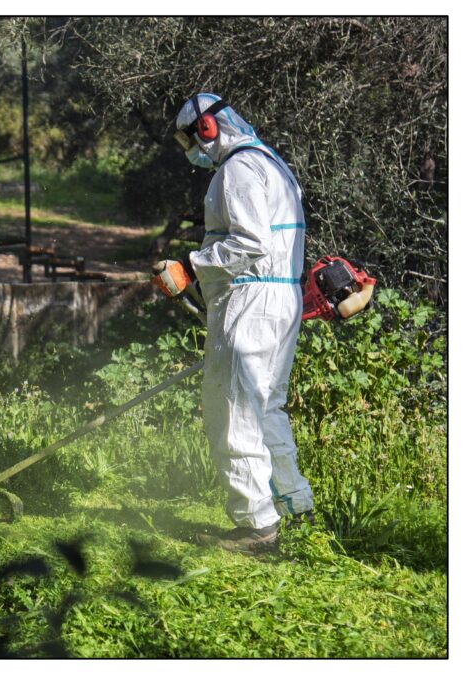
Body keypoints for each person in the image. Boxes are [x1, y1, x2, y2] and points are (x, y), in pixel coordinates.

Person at [156, 93, 315, 553]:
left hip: (251, 298)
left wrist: (192, 265)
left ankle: (255, 528)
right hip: (276, 297)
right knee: (265, 407)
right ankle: (293, 505)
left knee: (233, 410)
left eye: (192, 139)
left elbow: (251, 243)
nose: (194, 151)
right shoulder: (271, 163)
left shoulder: (237, 170)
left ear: (207, 128)